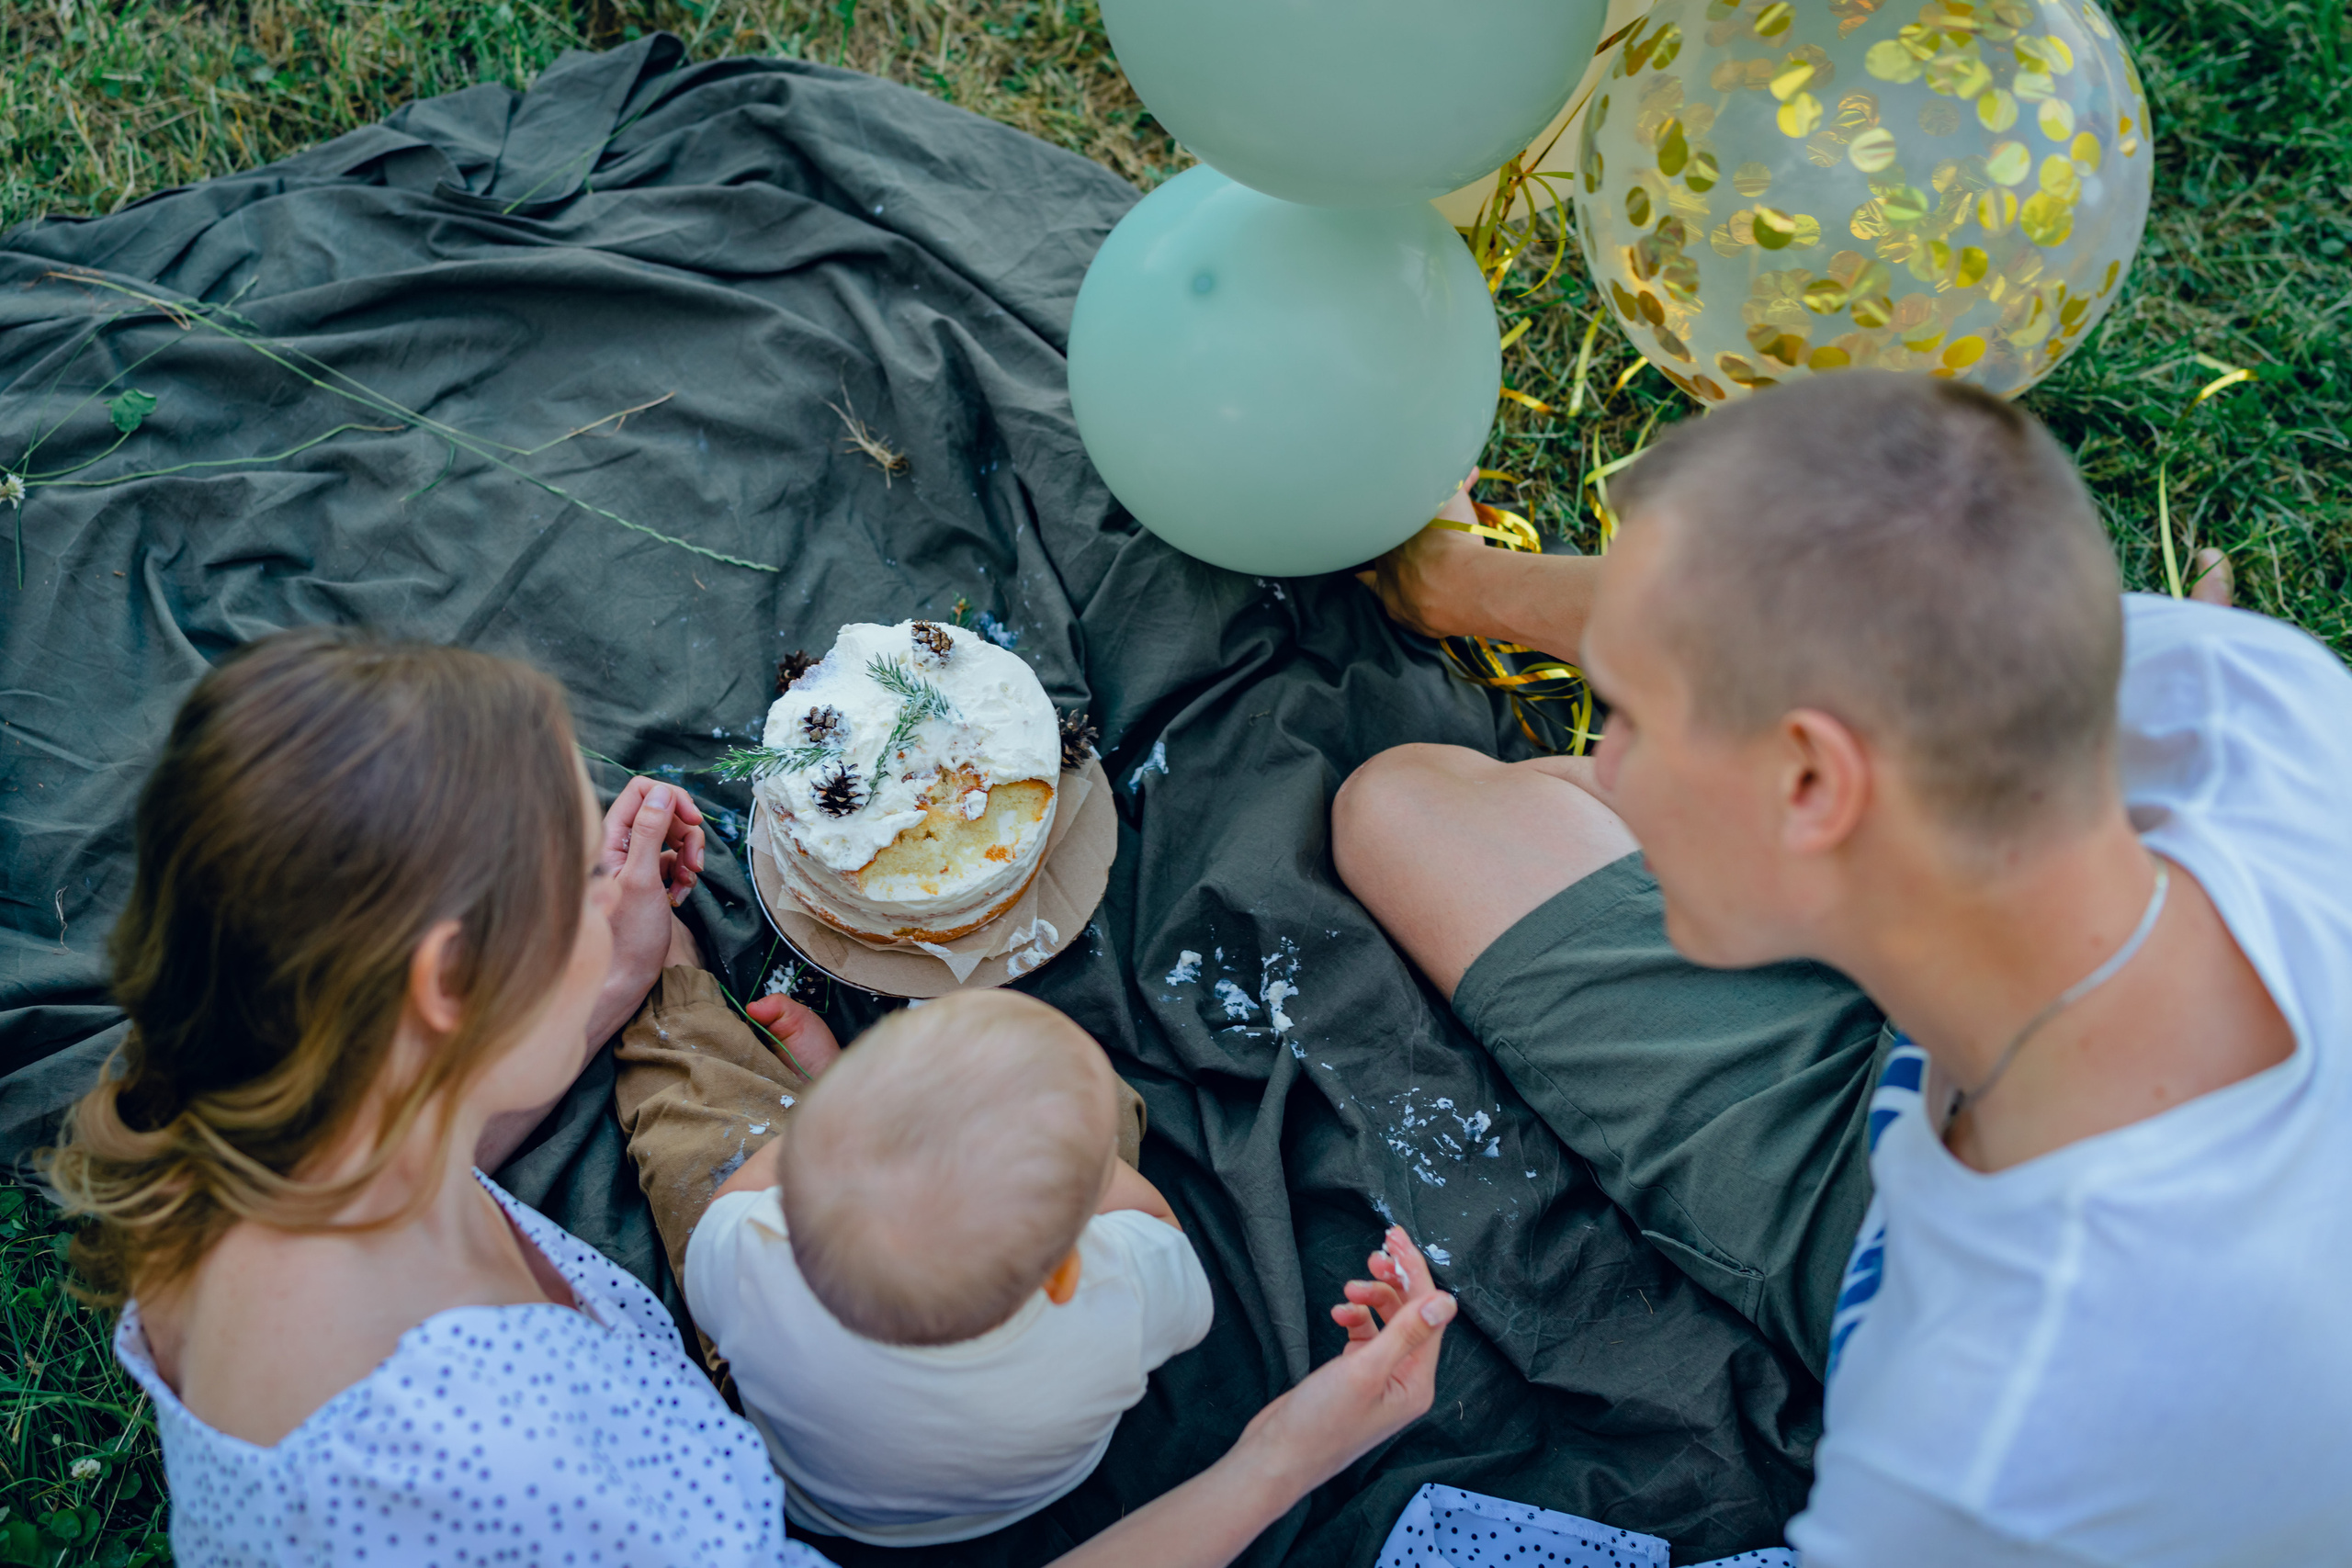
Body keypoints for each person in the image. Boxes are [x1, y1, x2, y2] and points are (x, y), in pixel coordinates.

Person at [43, 625, 1456, 1568]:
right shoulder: (552, 1482)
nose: (607, 892)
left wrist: (606, 988)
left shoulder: (244, 1125)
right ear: (440, 988)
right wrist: (1289, 1448)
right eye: (565, 876)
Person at [1339, 371, 2351, 1564]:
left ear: (1814, 779)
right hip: (1978, 1002)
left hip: (1889, 1223)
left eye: (1633, 719)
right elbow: (1779, 604)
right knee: (1413, 805)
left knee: (1437, 805)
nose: (1610, 758)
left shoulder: (1982, 1442)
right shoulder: (2242, 696)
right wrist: (1453, 581)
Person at [657, 988, 1213, 1546]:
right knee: (1096, 1105)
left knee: (696, 1121)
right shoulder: (1109, 1291)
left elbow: (725, 1208)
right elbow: (1162, 1232)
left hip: (819, 1499)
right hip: (1026, 1489)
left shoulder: (759, 1254)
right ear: (1068, 1268)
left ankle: (824, 1086)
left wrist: (841, 1115)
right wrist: (1072, 1167)